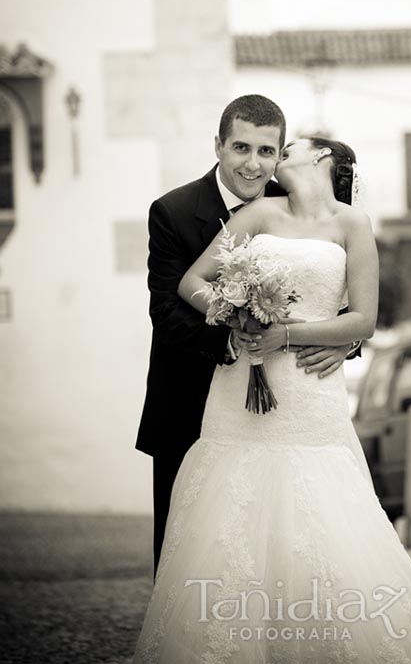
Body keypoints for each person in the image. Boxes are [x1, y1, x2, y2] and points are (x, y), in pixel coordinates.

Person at [131, 136, 411, 664]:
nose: (275, 156)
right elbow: (194, 280)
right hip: (238, 382)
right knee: (230, 503)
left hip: (310, 389)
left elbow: (363, 320)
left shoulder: (353, 225)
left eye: (289, 147)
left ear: (320, 158)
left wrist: (286, 334)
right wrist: (232, 314)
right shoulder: (258, 211)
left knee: (322, 506)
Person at [135, 95, 356, 576]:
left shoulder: (299, 199)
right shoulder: (172, 212)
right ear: (218, 145)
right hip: (192, 406)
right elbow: (167, 309)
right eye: (240, 148)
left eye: (266, 151)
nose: (253, 164)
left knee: (287, 548)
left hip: (289, 408)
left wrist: (345, 341)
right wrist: (236, 337)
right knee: (186, 559)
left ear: (279, 154)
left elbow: (337, 288)